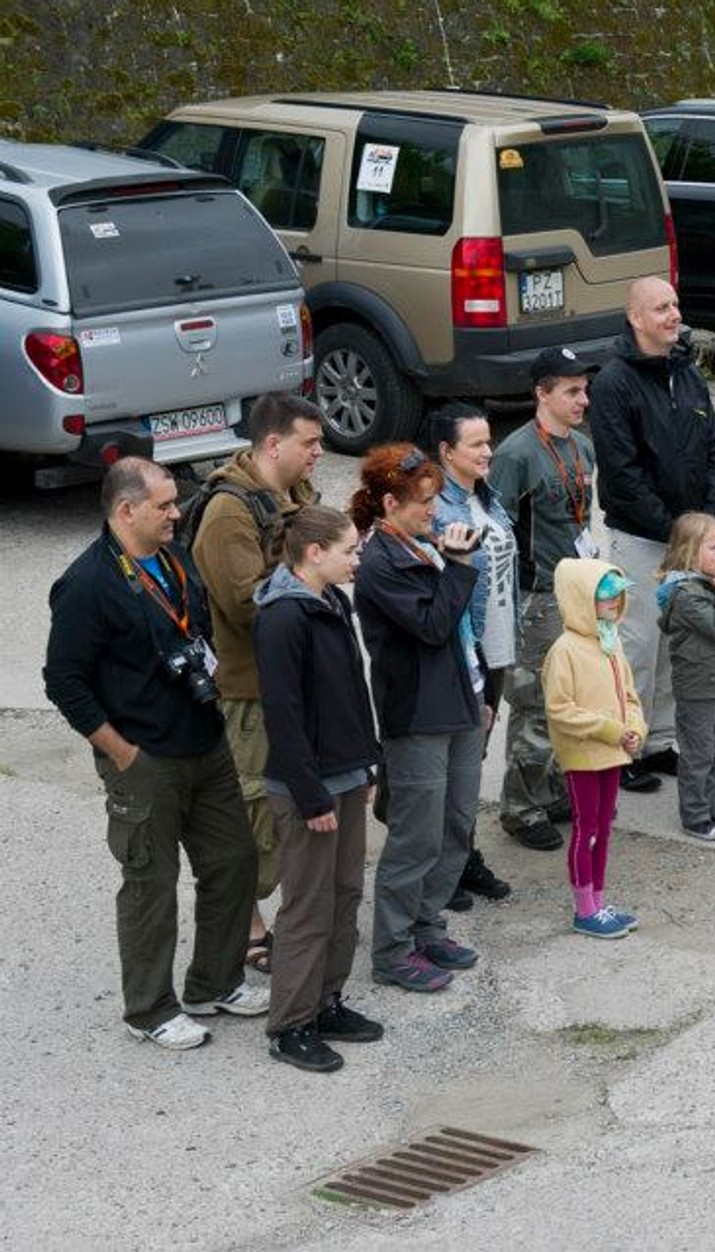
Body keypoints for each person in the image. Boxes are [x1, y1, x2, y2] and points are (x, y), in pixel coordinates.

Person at [44, 457, 268, 1051]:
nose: (177, 514)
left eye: (175, 504)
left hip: (204, 741)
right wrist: (121, 753)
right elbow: (63, 681)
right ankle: (149, 1009)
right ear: (126, 510)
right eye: (165, 506)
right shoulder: (87, 584)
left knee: (233, 861)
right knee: (151, 883)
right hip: (144, 759)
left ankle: (213, 983)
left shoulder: (173, 558)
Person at [190, 391, 323, 974]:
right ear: (273, 444)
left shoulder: (295, 494)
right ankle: (242, 926)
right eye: (310, 443)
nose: (321, 453)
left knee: (297, 807)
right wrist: (313, 568)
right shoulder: (227, 513)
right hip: (250, 692)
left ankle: (291, 915)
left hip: (298, 680)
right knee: (254, 814)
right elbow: (248, 606)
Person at [252, 504, 383, 1073]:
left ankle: (327, 1001)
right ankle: (290, 1024)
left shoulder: (332, 600)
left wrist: (368, 762)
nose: (357, 558)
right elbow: (283, 713)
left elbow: (351, 692)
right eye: (349, 550)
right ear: (314, 554)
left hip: (347, 774)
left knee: (347, 891)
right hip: (310, 787)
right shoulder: (284, 617)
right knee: (307, 906)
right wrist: (310, 796)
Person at [350, 445, 485, 993]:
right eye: (425, 501)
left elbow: (455, 633)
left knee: (456, 823)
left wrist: (481, 689)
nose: (436, 511)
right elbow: (430, 626)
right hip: (417, 714)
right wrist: (457, 567)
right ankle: (392, 950)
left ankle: (428, 926)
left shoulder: (422, 546)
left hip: (459, 700)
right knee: (416, 837)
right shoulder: (380, 563)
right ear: (389, 503)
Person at [587, 276, 715, 792]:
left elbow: (711, 448)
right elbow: (622, 473)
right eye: (661, 307)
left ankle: (660, 739)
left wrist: (706, 521)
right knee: (637, 645)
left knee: (674, 644)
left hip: (690, 535)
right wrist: (675, 530)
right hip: (641, 538)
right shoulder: (614, 383)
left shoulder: (688, 373)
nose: (674, 314)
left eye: (676, 304)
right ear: (636, 318)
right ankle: (626, 747)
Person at [490, 347, 611, 850]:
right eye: (571, 391)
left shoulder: (582, 447)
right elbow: (497, 533)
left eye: (585, 389)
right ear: (541, 394)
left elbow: (581, 520)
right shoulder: (515, 455)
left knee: (572, 699)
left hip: (576, 594)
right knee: (536, 703)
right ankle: (520, 806)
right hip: (535, 598)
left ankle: (555, 788)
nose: (583, 399)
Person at [432, 403, 516, 907]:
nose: (488, 452)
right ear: (446, 451)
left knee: (472, 759)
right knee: (454, 764)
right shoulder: (440, 509)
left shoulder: (485, 495)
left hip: (499, 646)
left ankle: (459, 854)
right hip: (469, 652)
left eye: (489, 442)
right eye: (476, 444)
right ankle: (449, 864)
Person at [540, 559, 648, 938]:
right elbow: (559, 709)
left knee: (603, 827)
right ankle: (584, 908)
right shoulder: (565, 650)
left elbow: (630, 696)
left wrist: (634, 728)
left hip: (614, 750)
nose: (615, 605)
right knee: (586, 827)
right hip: (585, 754)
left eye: (619, 597)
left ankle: (598, 901)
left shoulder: (610, 642)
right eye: (605, 599)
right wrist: (610, 730)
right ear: (580, 600)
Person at [655, 512, 715, 841]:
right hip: (697, 687)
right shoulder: (687, 595)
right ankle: (694, 816)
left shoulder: (704, 586)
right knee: (698, 754)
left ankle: (714, 806)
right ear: (690, 552)